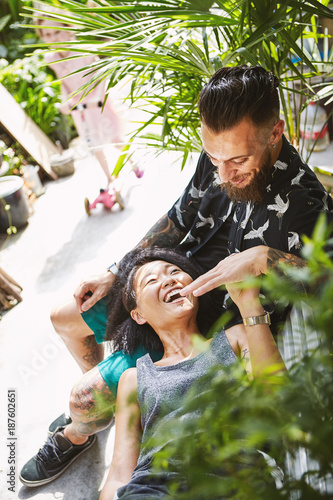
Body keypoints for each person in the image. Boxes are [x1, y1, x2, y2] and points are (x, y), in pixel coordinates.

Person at [19, 65, 333, 487]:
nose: (223, 174)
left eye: (237, 161)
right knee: (65, 315)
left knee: (85, 398)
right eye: (214, 158)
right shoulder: (220, 155)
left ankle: (80, 430)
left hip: (202, 334)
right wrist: (120, 272)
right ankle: (112, 410)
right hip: (165, 286)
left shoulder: (306, 203)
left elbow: (322, 281)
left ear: (275, 133)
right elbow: (177, 218)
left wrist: (266, 256)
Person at [98, 247, 285, 499]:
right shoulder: (133, 379)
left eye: (175, 271)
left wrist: (249, 304)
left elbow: (278, 396)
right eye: (151, 281)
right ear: (138, 314)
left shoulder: (236, 338)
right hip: (152, 487)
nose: (168, 279)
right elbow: (120, 474)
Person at [36, 16, 140, 187]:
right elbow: (63, 81)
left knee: (114, 136)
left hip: (97, 102)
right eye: (47, 34)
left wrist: (97, 97)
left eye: (57, 32)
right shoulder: (52, 58)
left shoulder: (83, 50)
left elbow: (102, 74)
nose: (53, 38)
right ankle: (109, 179)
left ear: (68, 29)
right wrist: (65, 100)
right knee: (94, 144)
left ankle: (132, 160)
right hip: (80, 107)